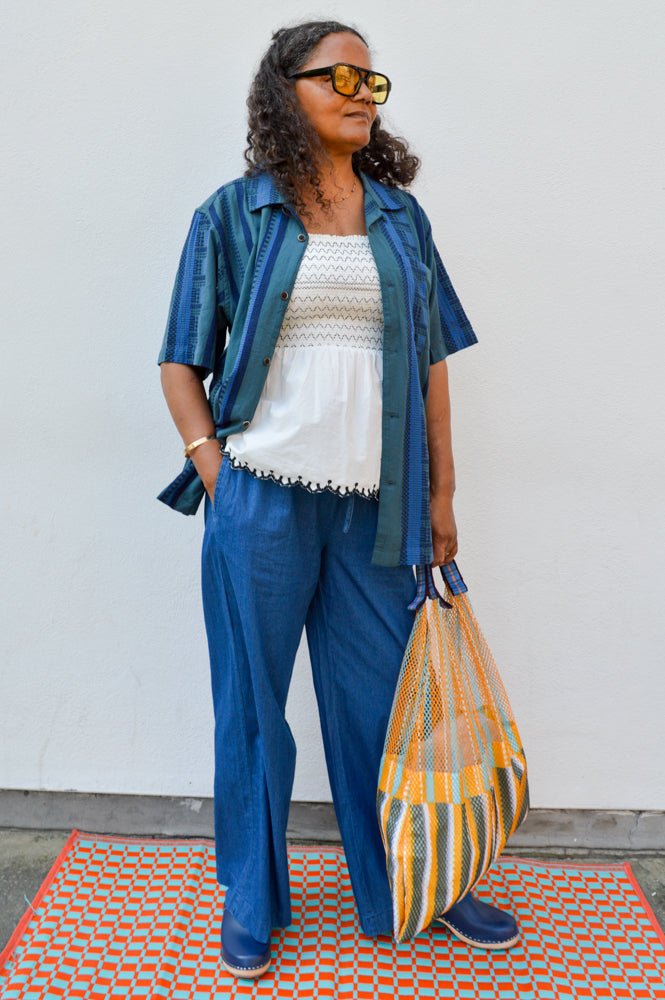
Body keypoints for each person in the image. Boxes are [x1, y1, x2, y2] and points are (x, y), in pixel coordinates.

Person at [158, 20, 519, 979]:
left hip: (377, 506)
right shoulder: (232, 214)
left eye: (371, 80)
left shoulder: (401, 218)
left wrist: (442, 493)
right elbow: (181, 359)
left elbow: (431, 362)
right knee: (251, 707)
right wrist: (213, 469)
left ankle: (413, 882)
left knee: (383, 707)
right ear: (288, 90)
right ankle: (251, 895)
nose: (362, 94)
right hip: (260, 500)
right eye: (340, 76)